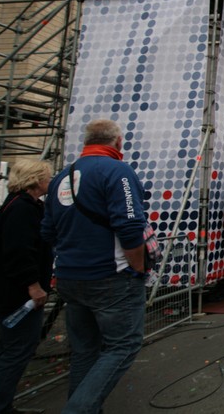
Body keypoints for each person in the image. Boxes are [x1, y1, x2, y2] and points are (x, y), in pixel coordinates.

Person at [41, 119, 149, 413]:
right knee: (122, 346)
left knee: (85, 350)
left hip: (69, 276)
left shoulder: (61, 176)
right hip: (110, 277)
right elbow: (130, 226)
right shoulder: (117, 171)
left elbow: (47, 231)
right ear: (118, 142)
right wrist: (138, 269)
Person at [0, 160, 53, 414]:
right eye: (47, 177)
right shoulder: (22, 209)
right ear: (36, 179)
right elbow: (18, 252)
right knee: (17, 349)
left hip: (9, 291)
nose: (50, 181)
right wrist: (33, 285)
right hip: (17, 294)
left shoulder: (16, 205)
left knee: (9, 348)